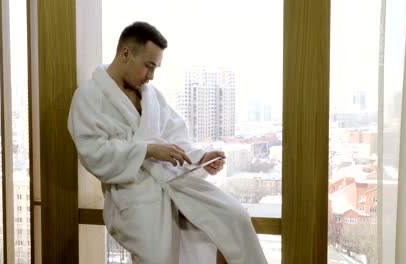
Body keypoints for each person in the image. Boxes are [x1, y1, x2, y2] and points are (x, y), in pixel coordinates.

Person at [68, 21, 267, 264]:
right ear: (126, 53)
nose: (151, 76)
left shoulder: (152, 96)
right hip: (134, 194)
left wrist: (199, 158)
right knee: (160, 257)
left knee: (233, 218)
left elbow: (176, 136)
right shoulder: (89, 97)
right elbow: (93, 152)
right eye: (148, 66)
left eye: (156, 69)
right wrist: (147, 150)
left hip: (174, 182)